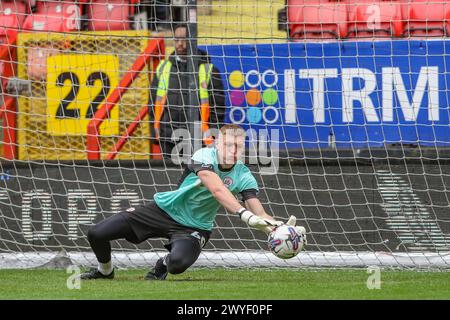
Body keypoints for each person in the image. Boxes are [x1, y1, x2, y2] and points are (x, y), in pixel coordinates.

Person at [79, 124, 306, 280]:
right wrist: (244, 215)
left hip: (195, 227)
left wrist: (278, 228)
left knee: (177, 265)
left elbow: (258, 211)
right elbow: (216, 188)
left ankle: (162, 264)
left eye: (238, 146)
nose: (233, 150)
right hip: (163, 210)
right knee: (96, 233)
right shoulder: (203, 156)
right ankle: (105, 271)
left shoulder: (244, 174)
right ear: (217, 144)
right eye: (228, 145)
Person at [149, 23, 225, 157]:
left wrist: (213, 136)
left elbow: (217, 109)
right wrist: (154, 131)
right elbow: (152, 104)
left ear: (193, 40)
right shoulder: (163, 68)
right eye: (176, 39)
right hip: (168, 138)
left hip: (199, 139)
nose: (180, 44)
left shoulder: (209, 70)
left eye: (184, 39)